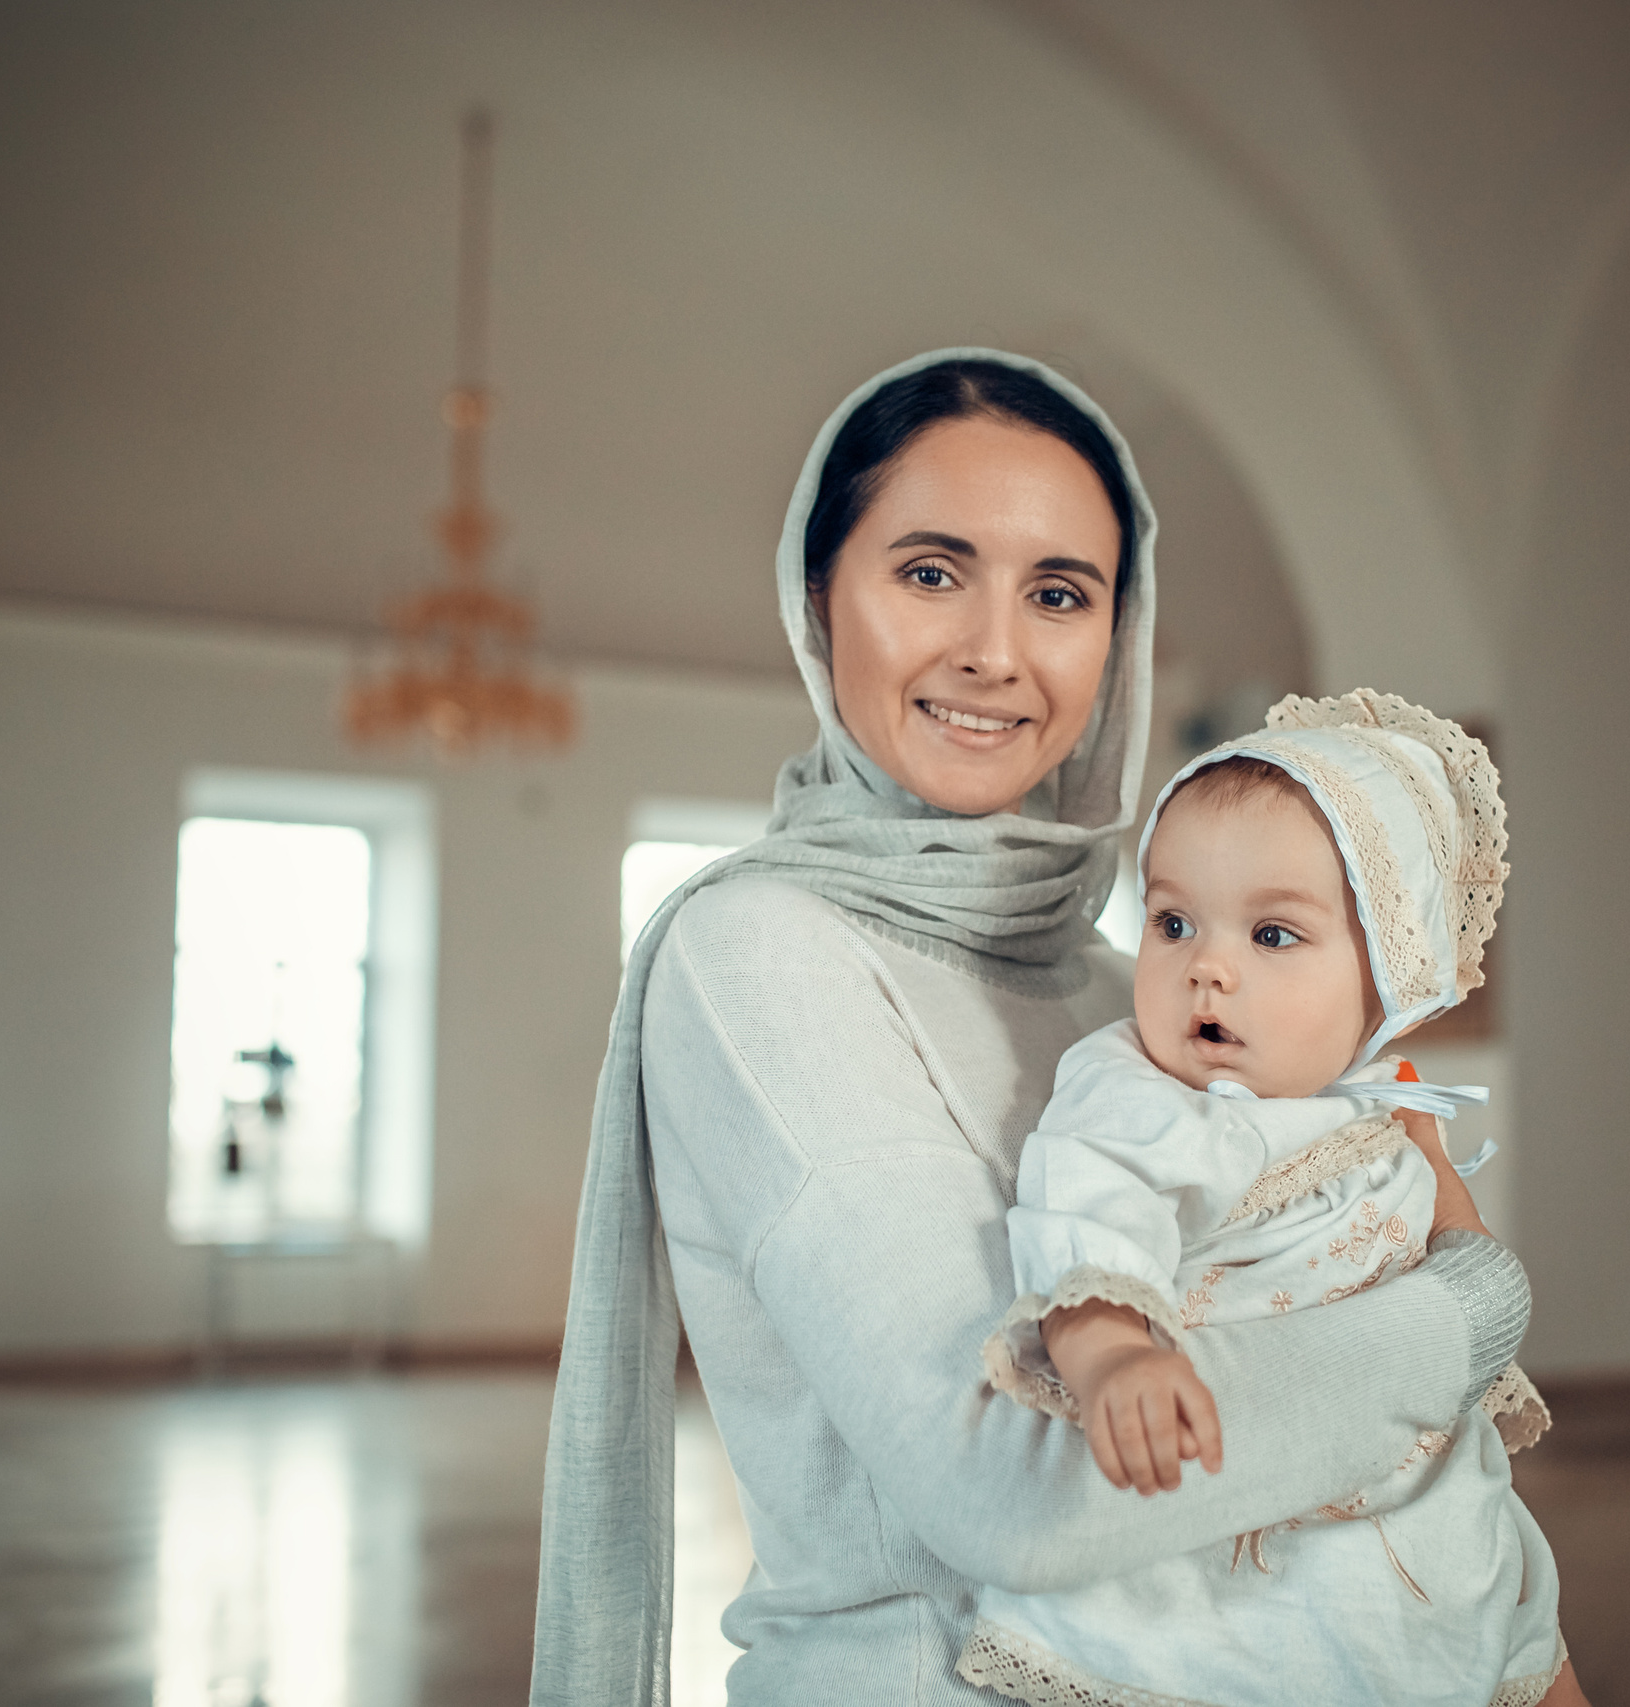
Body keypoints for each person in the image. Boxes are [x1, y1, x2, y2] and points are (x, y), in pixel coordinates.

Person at [531, 350, 1577, 1705]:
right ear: (816, 596)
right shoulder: (756, 954)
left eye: (1060, 593)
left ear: (1116, 638)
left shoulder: (1128, 988)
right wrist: (1468, 1312)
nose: (995, 651)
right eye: (930, 571)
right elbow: (1021, 1497)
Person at [963, 690, 1569, 1707]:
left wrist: (1457, 1229)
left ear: (1386, 978)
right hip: (1241, 1545)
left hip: (1428, 1507)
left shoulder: (1385, 1101)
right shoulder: (1135, 1091)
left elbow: (1469, 1272)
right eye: (1173, 922)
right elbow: (1084, 1221)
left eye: (1273, 935)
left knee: (1516, 1635)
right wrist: (1113, 1358)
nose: (1207, 967)